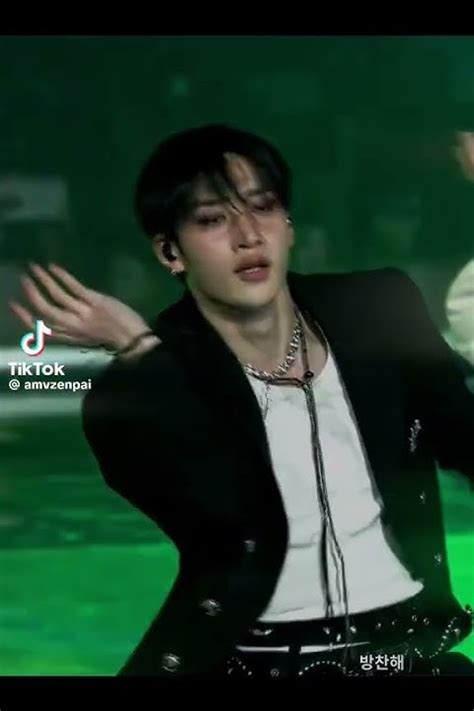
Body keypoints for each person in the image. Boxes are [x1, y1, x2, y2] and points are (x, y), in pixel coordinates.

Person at [10, 124, 474, 679]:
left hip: (400, 649)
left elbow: (466, 439)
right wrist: (140, 351)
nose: (248, 236)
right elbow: (226, 510)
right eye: (212, 220)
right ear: (170, 251)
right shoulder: (144, 384)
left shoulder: (378, 309)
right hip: (253, 660)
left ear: (289, 224)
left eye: (264, 207)